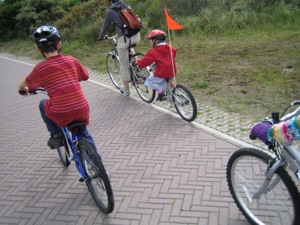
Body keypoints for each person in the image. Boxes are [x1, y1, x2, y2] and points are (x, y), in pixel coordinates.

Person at [18, 25, 96, 150]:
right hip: (81, 108)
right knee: (85, 134)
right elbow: (85, 76)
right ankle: (100, 167)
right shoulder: (72, 60)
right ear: (59, 45)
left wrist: (21, 89)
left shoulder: (40, 69)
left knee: (43, 103)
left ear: (39, 49)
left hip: (60, 111)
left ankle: (56, 135)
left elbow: (25, 84)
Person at [97, 0, 140, 97]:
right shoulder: (126, 6)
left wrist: (101, 37)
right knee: (129, 48)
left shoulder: (110, 12)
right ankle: (138, 65)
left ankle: (126, 90)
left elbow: (105, 27)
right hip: (137, 36)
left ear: (110, 1)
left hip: (125, 39)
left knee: (124, 64)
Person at [135, 29, 176, 101]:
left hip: (162, 72)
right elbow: (174, 53)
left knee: (150, 80)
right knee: (169, 78)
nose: (150, 42)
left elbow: (145, 62)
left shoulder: (153, 51)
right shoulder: (170, 47)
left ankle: (161, 93)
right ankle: (174, 90)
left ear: (156, 40)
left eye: (151, 40)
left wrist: (138, 63)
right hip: (172, 69)